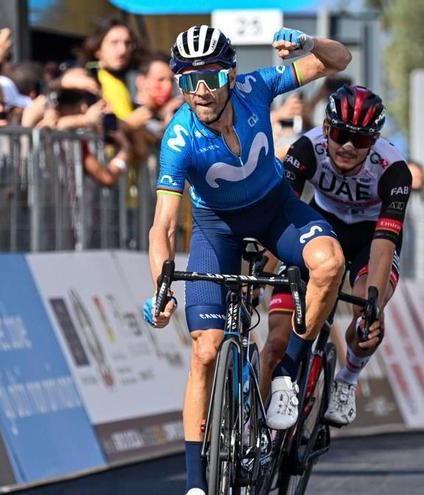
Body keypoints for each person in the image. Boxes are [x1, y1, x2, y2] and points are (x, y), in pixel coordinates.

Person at [144, 25, 351, 495]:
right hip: (217, 229)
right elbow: (164, 226)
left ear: (231, 76)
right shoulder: (179, 139)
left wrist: (310, 44)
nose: (201, 92)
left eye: (212, 79)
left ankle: (284, 374)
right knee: (206, 349)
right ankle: (196, 484)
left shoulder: (257, 87)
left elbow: (338, 61)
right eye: (188, 81)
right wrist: (160, 284)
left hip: (276, 210)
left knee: (329, 263)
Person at [263, 85, 411, 426]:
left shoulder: (393, 170)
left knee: (367, 314)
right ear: (327, 128)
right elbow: (279, 218)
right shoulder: (307, 149)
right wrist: (264, 270)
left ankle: (347, 377)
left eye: (359, 140)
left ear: (373, 141)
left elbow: (385, 240)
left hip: (370, 238)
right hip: (318, 225)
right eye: (341, 134)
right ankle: (253, 427)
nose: (347, 146)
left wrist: (372, 301)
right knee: (276, 342)